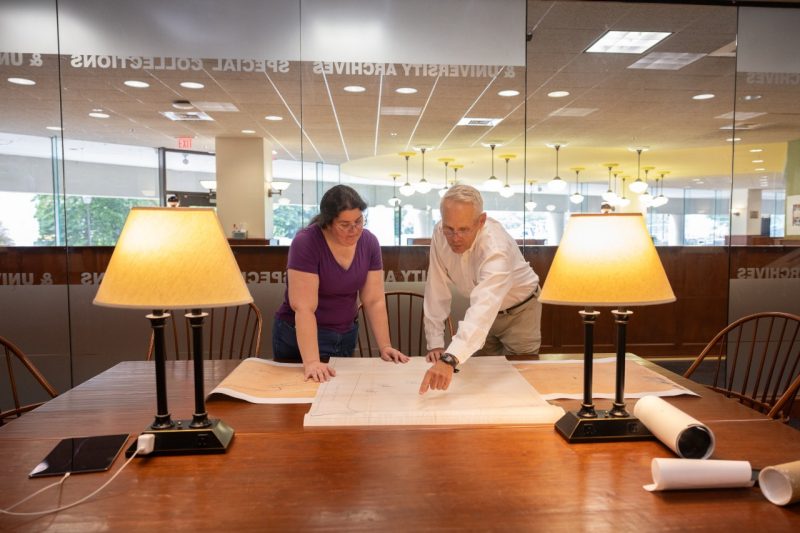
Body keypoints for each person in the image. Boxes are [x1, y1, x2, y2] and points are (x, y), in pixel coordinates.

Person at [273, 185, 408, 382]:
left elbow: (374, 300)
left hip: (345, 335)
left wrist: (385, 346)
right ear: (327, 222)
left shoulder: (369, 242)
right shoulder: (306, 242)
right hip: (301, 338)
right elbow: (304, 308)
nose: (354, 230)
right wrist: (311, 362)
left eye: (359, 221)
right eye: (344, 224)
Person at [419, 184, 542, 394]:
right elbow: (436, 287)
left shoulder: (496, 247)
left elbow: (484, 306)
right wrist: (436, 343)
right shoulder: (440, 233)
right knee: (480, 381)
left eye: (463, 229)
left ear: (481, 221)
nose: (455, 238)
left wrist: (449, 359)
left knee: (521, 380)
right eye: (449, 229)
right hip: (483, 313)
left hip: (521, 311)